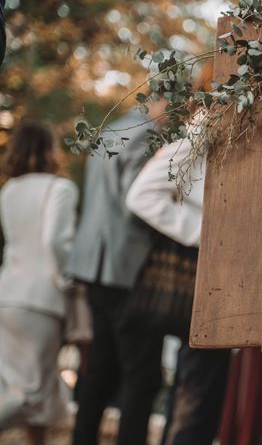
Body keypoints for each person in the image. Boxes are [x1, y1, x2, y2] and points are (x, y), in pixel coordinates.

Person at [66, 104, 167, 445]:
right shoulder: (147, 134)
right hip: (124, 266)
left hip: (93, 264)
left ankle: (82, 439)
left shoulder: (111, 129)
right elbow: (137, 200)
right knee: (142, 377)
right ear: (163, 101)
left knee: (100, 370)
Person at [126, 121, 231, 445]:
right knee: (197, 389)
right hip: (201, 275)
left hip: (222, 275)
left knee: (199, 387)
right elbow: (141, 196)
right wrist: (208, 233)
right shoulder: (202, 132)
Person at [0, 122, 79, 445]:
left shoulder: (9, 190)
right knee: (32, 393)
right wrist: (66, 279)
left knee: (26, 387)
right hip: (41, 300)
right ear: (50, 150)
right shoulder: (60, 188)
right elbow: (54, 241)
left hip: (8, 296)